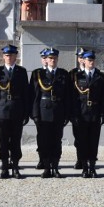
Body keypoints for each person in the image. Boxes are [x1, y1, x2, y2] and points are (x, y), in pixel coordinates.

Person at [0, 45, 33, 179]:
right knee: (3, 141)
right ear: (3, 56)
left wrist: (26, 113)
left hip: (17, 109)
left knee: (15, 140)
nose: (9, 58)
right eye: (7, 55)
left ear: (16, 56)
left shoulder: (21, 71)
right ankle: (4, 166)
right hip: (2, 109)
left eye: (12, 55)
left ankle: (15, 166)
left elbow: (26, 93)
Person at [31, 48, 72, 178]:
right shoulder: (38, 74)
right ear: (46, 60)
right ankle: (47, 167)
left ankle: (55, 167)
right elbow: (34, 96)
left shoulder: (63, 74)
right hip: (44, 112)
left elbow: (67, 96)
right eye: (50, 58)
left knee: (56, 141)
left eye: (54, 58)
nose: (52, 60)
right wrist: (35, 114)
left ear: (57, 59)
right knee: (44, 141)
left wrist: (67, 114)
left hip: (58, 111)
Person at [71, 50, 104, 178]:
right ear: (84, 61)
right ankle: (84, 167)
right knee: (82, 141)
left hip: (95, 113)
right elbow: (73, 98)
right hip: (82, 113)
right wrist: (74, 115)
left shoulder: (100, 76)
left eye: (93, 60)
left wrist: (103, 114)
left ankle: (92, 167)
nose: (91, 62)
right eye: (89, 60)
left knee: (93, 141)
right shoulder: (78, 76)